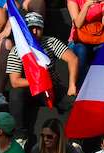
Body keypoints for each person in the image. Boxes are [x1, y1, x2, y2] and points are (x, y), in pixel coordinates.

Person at [7, 13, 79, 142]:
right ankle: (20, 137)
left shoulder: (50, 42)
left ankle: (74, 142)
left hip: (52, 87)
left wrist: (72, 85)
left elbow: (73, 59)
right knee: (15, 93)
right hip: (30, 89)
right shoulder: (17, 50)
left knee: (75, 101)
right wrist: (39, 81)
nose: (34, 31)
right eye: (31, 28)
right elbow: (15, 82)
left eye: (38, 28)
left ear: (43, 29)